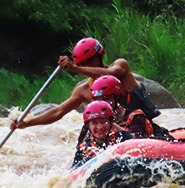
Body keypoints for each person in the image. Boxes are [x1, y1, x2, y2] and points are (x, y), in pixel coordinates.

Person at [11, 37, 161, 132]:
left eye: (89, 61)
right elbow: (58, 112)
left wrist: (75, 68)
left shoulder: (121, 68)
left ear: (100, 56)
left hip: (145, 128)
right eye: (82, 64)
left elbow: (110, 74)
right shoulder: (84, 90)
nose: (86, 66)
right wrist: (28, 123)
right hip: (117, 136)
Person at [90, 75, 173, 140]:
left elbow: (138, 143)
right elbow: (82, 147)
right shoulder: (93, 122)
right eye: (98, 100)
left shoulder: (135, 116)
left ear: (117, 98)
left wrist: (114, 126)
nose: (101, 103)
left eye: (106, 99)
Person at [71, 101, 133, 168]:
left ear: (111, 122)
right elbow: (72, 172)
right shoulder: (83, 148)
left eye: (104, 122)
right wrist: (87, 160)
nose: (100, 127)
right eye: (94, 123)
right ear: (88, 126)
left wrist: (101, 156)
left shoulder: (123, 137)